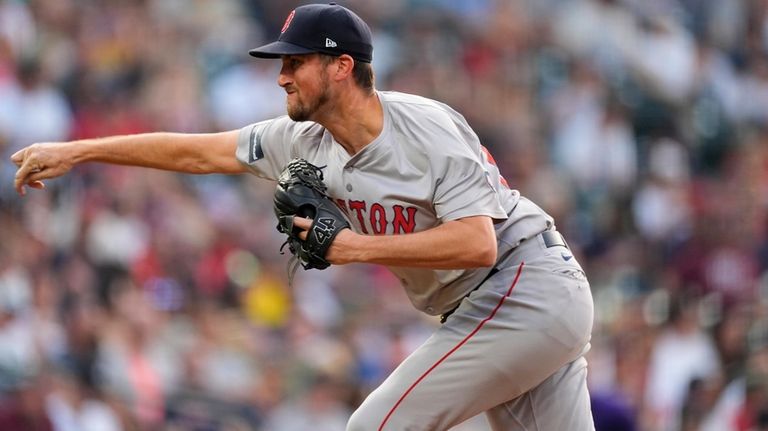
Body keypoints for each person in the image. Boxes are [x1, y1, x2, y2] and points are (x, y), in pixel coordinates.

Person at [12, 3, 595, 430]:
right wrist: (79, 151)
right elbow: (195, 151)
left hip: (526, 282)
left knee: (374, 427)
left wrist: (351, 248)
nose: (282, 74)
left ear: (342, 67)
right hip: (497, 305)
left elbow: (477, 245)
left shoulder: (425, 128)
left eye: (296, 61)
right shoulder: (300, 139)